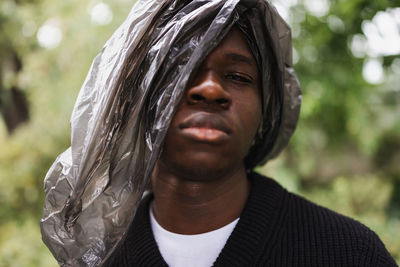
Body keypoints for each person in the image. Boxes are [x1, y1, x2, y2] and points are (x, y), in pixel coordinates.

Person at [41, 1, 398, 266]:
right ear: (139, 99)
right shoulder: (100, 259)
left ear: (267, 108)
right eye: (181, 69)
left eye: (239, 77)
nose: (210, 89)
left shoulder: (349, 254)